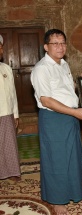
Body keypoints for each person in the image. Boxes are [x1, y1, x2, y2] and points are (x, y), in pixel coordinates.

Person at [31, 29, 82, 215]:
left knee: (72, 157)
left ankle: (73, 191)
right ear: (46, 47)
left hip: (71, 117)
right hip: (54, 119)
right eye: (55, 43)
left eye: (63, 42)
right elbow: (47, 100)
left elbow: (67, 89)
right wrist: (74, 111)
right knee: (56, 159)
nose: (60, 47)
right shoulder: (42, 69)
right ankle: (57, 200)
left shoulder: (64, 64)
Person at [0, 34, 21, 181]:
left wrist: (16, 114)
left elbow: (13, 93)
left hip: (7, 112)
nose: (1, 50)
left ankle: (12, 171)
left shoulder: (6, 68)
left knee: (9, 145)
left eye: (1, 47)